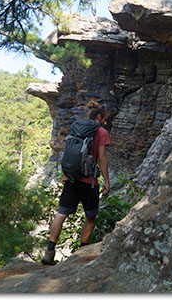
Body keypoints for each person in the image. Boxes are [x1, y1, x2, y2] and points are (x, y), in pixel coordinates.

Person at [42, 100, 110, 265]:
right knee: (91, 216)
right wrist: (107, 181)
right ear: (99, 116)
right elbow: (101, 157)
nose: (105, 122)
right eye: (104, 118)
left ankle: (49, 252)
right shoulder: (101, 132)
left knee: (61, 213)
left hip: (70, 178)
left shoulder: (77, 127)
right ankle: (80, 254)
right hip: (89, 182)